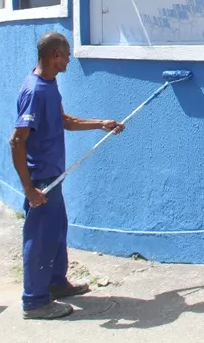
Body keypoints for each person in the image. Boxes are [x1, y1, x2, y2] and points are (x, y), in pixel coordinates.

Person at [9, 31, 125, 319]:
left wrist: (101, 124)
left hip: (54, 177)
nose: (70, 59)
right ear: (54, 56)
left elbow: (65, 121)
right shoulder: (35, 91)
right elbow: (16, 141)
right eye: (67, 54)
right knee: (40, 236)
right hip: (41, 182)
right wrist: (29, 190)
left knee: (58, 229)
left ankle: (56, 283)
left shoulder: (49, 84)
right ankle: (34, 301)